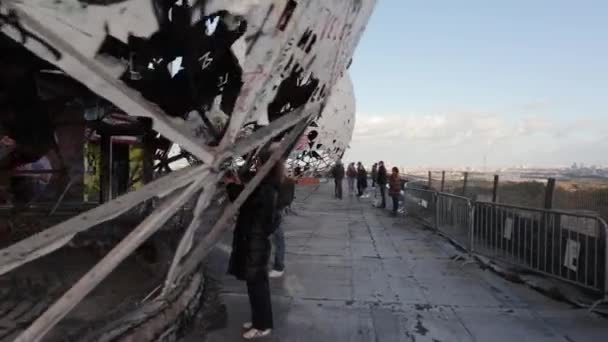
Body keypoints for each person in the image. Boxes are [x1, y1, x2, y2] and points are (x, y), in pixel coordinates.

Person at [225, 147, 283, 340]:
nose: (256, 164)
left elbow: (246, 202)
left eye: (259, 162)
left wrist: (232, 187)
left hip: (254, 242)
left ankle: (262, 325)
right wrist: (237, 186)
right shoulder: (269, 184)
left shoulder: (266, 187)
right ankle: (259, 319)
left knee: (257, 286)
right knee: (257, 285)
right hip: (255, 241)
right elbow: (250, 200)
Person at [270, 172, 295, 278]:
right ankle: (278, 265)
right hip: (275, 211)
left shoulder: (285, 182)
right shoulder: (287, 181)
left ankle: (278, 266)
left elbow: (286, 199)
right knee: (277, 240)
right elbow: (288, 199)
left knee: (278, 239)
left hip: (273, 212)